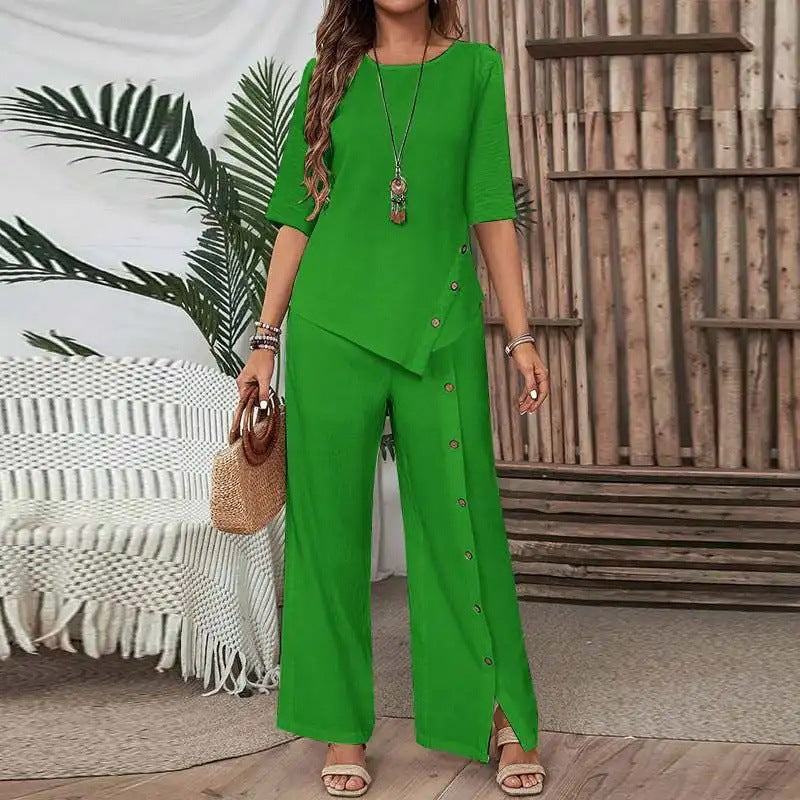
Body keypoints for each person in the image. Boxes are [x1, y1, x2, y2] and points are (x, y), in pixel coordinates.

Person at [237, 0, 550, 795]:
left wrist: (519, 335)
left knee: (462, 522)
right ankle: (341, 725)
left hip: (439, 324)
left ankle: (500, 713)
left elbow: (491, 205)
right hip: (331, 326)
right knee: (329, 532)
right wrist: (266, 339)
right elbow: (298, 213)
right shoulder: (329, 75)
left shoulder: (475, 70)